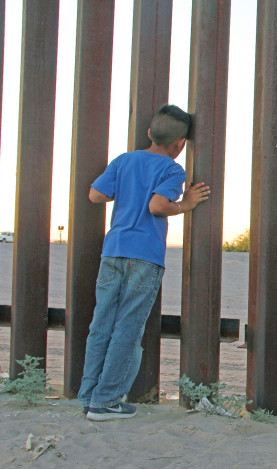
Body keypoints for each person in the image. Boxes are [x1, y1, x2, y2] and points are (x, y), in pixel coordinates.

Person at [79, 104, 210, 421]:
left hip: (113, 252)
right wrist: (186, 204)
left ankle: (89, 396)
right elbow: (157, 206)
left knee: (101, 325)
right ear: (181, 145)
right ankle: (106, 401)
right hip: (145, 257)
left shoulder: (124, 160)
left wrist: (126, 191)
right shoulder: (172, 170)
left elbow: (96, 195)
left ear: (149, 133)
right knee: (127, 328)